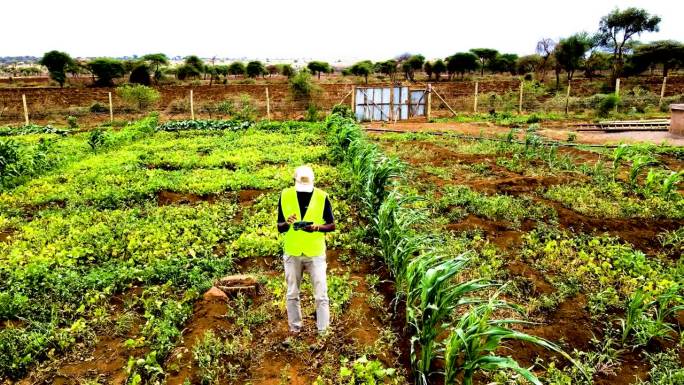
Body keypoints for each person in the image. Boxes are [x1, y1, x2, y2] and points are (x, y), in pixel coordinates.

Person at [277, 165, 335, 336]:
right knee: (292, 293)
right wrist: (287, 223)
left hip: (315, 252)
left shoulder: (322, 197)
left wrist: (316, 227)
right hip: (293, 252)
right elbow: (280, 227)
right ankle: (295, 329)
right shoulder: (285, 195)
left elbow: (332, 225)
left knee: (321, 294)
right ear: (294, 182)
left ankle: (323, 331)